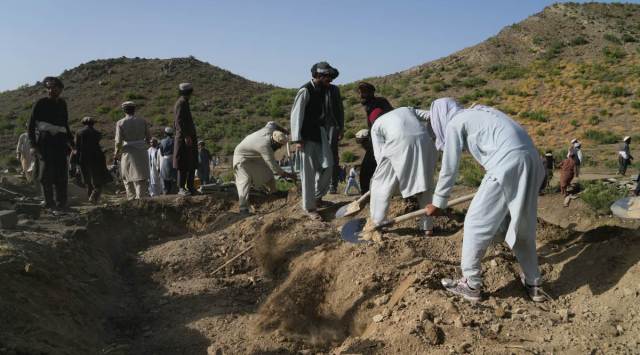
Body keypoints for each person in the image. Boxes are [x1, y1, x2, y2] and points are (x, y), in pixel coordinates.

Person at [425, 98, 545, 303]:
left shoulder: (455, 122)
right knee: (519, 226)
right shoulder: (483, 113)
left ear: (440, 117)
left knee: (475, 223)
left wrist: (439, 202)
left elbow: (449, 167)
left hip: (508, 163)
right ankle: (534, 284)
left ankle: (471, 284)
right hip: (532, 161)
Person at [362, 107, 437, 241]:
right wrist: (431, 132)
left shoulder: (376, 126)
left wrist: (384, 174)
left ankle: (376, 224)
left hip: (399, 143)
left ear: (373, 121)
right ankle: (427, 227)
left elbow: (379, 155)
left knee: (381, 184)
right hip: (426, 142)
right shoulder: (406, 109)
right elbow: (433, 115)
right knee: (424, 184)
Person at [290, 62, 341, 220]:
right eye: (327, 76)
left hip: (319, 134)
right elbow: (296, 115)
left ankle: (317, 197)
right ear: (318, 76)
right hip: (306, 137)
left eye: (330, 77)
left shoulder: (323, 91)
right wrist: (297, 138)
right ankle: (309, 207)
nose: (330, 80)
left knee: (329, 165)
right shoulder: (306, 90)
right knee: (308, 173)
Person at [28, 76, 73, 210]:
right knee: (45, 174)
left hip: (60, 141)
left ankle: (62, 203)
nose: (51, 90)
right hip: (45, 141)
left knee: (62, 173)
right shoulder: (40, 103)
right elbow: (31, 124)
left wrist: (72, 143)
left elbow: (65, 124)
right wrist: (33, 144)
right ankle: (49, 203)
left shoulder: (62, 104)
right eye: (49, 88)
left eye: (55, 88)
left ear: (60, 89)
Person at [233, 123, 296, 214]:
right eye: (279, 146)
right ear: (274, 142)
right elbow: (274, 167)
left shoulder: (270, 130)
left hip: (253, 157)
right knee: (245, 180)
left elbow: (272, 123)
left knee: (267, 170)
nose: (279, 148)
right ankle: (243, 208)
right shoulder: (265, 147)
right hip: (241, 157)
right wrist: (289, 175)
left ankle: (273, 192)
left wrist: (284, 130)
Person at [357, 82, 393, 193]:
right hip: (380, 140)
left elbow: (384, 120)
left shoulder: (377, 104)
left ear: (372, 93)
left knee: (366, 171)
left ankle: (366, 195)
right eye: (360, 93)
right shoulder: (373, 104)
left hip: (383, 141)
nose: (361, 95)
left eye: (364, 92)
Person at [114, 101, 151, 200]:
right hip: (141, 151)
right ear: (134, 110)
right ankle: (141, 199)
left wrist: (116, 152)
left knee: (127, 176)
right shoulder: (142, 121)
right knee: (141, 176)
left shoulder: (120, 123)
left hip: (128, 152)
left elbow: (118, 141)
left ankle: (131, 199)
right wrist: (145, 145)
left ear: (123, 110)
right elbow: (148, 137)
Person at [75, 117, 111, 203]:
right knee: (98, 178)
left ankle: (91, 198)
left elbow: (77, 148)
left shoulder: (79, 132)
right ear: (93, 123)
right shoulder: (97, 133)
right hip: (97, 157)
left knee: (87, 180)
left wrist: (75, 162)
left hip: (84, 157)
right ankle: (94, 197)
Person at [173, 83, 198, 196]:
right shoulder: (181, 103)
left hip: (189, 137)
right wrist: (186, 136)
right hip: (184, 138)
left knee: (192, 163)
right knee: (183, 164)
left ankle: (191, 187)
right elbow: (179, 122)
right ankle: (181, 188)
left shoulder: (185, 102)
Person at [159, 127, 177, 194]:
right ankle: (174, 191)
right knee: (174, 176)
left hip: (166, 159)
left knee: (164, 176)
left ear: (165, 133)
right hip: (174, 159)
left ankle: (166, 191)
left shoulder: (162, 141)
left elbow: (161, 153)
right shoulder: (175, 140)